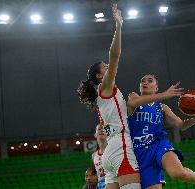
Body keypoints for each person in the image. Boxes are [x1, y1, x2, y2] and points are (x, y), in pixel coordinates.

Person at [77, 5, 183, 189]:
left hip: (109, 153)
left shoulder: (102, 97)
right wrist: (118, 26)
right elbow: (115, 55)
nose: (108, 67)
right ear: (99, 76)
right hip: (121, 146)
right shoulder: (105, 87)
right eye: (105, 67)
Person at [127, 74, 195, 189]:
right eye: (142, 81)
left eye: (150, 81)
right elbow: (135, 102)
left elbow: (181, 125)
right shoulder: (133, 97)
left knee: (177, 173)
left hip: (158, 144)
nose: (145, 83)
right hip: (139, 151)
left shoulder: (162, 107)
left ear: (156, 87)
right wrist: (164, 94)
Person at [92, 124, 109, 189]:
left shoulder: (113, 151)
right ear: (95, 135)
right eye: (99, 129)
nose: (102, 130)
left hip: (112, 183)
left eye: (104, 129)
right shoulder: (94, 155)